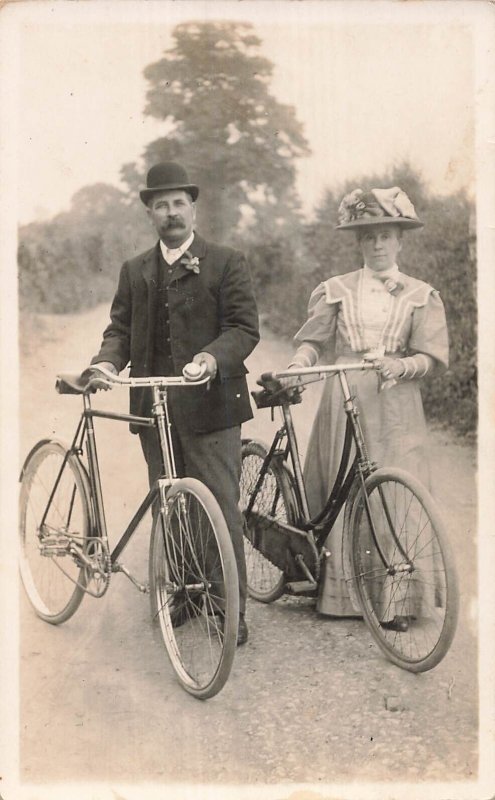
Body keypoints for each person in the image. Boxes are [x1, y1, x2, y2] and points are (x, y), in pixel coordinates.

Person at [89, 161, 260, 645]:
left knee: (218, 507)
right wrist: (105, 364)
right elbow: (119, 330)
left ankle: (228, 611)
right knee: (171, 504)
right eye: (160, 205)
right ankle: (185, 593)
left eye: (178, 203)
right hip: (154, 411)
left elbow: (244, 329)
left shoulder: (226, 261)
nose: (171, 213)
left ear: (193, 207)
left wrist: (210, 357)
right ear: (150, 213)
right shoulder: (135, 270)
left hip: (212, 408)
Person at [284, 186, 449, 626]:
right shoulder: (335, 290)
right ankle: (339, 596)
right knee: (343, 489)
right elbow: (315, 341)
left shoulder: (420, 294)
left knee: (395, 492)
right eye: (368, 237)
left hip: (396, 404)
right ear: (358, 243)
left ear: (400, 240)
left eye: (386, 235)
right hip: (345, 396)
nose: (377, 244)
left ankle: (396, 601)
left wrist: (399, 366)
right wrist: (299, 362)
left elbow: (430, 357)